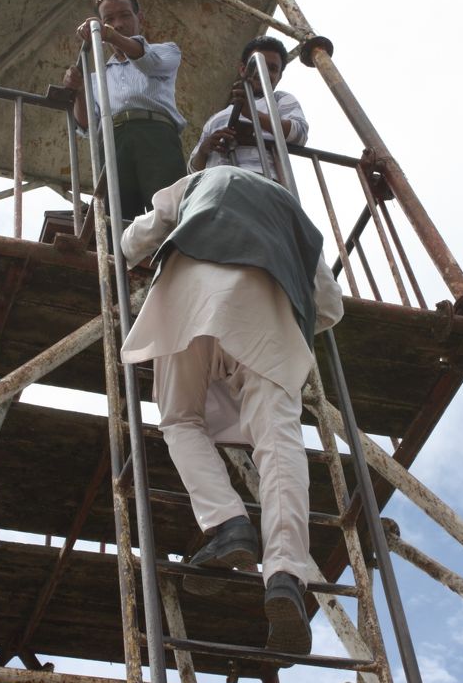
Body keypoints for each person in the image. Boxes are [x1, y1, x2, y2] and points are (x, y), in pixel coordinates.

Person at [120, 166, 344, 654]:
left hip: (194, 294)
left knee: (181, 418)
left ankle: (226, 523)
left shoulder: (200, 179)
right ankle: (286, 573)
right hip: (271, 312)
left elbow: (136, 240)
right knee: (279, 443)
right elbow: (329, 304)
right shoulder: (296, 217)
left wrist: (126, 249)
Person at [63, 0, 187, 219]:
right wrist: (79, 91)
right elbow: (87, 126)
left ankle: (173, 254)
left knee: (169, 209)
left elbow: (147, 62)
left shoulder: (166, 51)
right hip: (113, 139)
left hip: (156, 135)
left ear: (139, 18)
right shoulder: (97, 76)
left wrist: (109, 35)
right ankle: (118, 255)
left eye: (125, 15)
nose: (117, 24)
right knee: (116, 214)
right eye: (109, 19)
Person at [188, 35, 308, 179]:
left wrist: (252, 113)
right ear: (243, 69)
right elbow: (192, 171)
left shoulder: (279, 99)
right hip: (216, 188)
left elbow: (300, 134)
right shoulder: (216, 118)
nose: (264, 72)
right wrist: (203, 150)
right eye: (258, 64)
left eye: (273, 69)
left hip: (261, 184)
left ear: (279, 77)